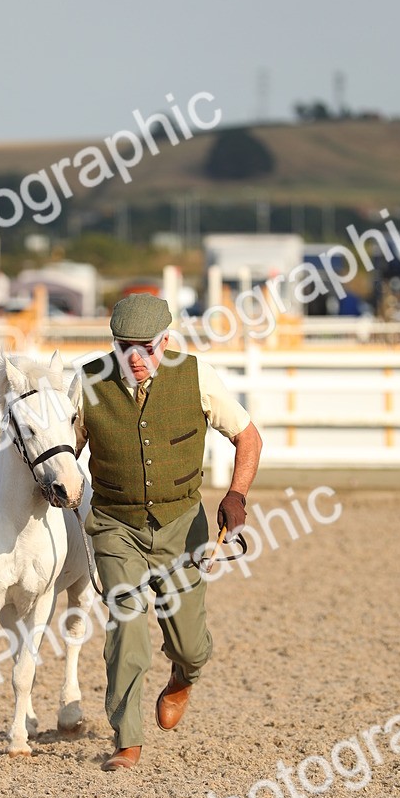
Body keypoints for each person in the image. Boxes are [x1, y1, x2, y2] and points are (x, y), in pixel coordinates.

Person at [74, 293, 263, 771]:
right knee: (128, 625)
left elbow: (247, 436)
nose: (135, 359)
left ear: (167, 342)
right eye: (124, 347)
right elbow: (64, 451)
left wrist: (236, 495)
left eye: (147, 348)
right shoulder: (87, 384)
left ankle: (184, 675)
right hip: (116, 526)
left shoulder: (196, 375)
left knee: (190, 642)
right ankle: (127, 738)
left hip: (183, 529)